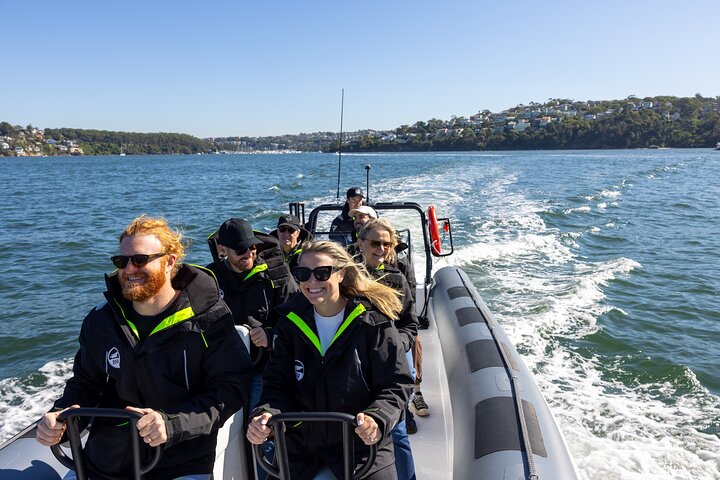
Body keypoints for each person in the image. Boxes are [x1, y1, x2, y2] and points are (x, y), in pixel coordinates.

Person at [35, 215, 252, 480]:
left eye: (139, 260)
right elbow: (84, 385)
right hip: (106, 460)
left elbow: (229, 391)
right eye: (121, 261)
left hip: (181, 461)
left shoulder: (210, 320)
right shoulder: (100, 321)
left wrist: (170, 424)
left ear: (170, 261)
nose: (128, 270)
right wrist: (62, 419)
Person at [247, 240, 412, 480]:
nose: (312, 282)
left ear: (341, 274)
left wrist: (377, 418)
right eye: (303, 274)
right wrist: (265, 415)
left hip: (361, 447)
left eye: (322, 273)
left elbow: (396, 384)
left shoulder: (373, 323)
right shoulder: (288, 324)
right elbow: (277, 385)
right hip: (301, 446)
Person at [205, 218, 298, 410]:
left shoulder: (277, 276)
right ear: (222, 249)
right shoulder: (208, 280)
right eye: (241, 250)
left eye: (252, 248)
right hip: (223, 371)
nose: (249, 254)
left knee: (259, 423)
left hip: (263, 368)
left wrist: (270, 334)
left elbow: (297, 317)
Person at [357, 218, 419, 479]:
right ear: (360, 243)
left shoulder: (396, 279)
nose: (381, 248)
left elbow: (410, 322)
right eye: (375, 243)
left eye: (386, 244)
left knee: (397, 430)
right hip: (357, 362)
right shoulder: (345, 277)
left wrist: (397, 344)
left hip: (390, 360)